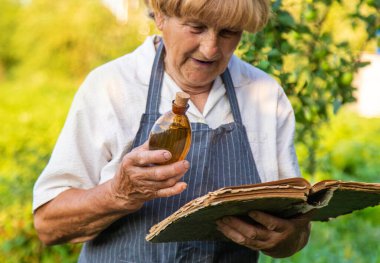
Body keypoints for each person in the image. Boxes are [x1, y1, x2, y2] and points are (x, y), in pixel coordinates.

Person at [33, 0, 312, 262]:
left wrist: (285, 238)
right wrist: (118, 193)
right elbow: (49, 226)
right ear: (161, 14)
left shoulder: (264, 95)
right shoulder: (111, 88)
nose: (210, 49)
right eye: (197, 27)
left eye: (228, 32)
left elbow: (295, 229)